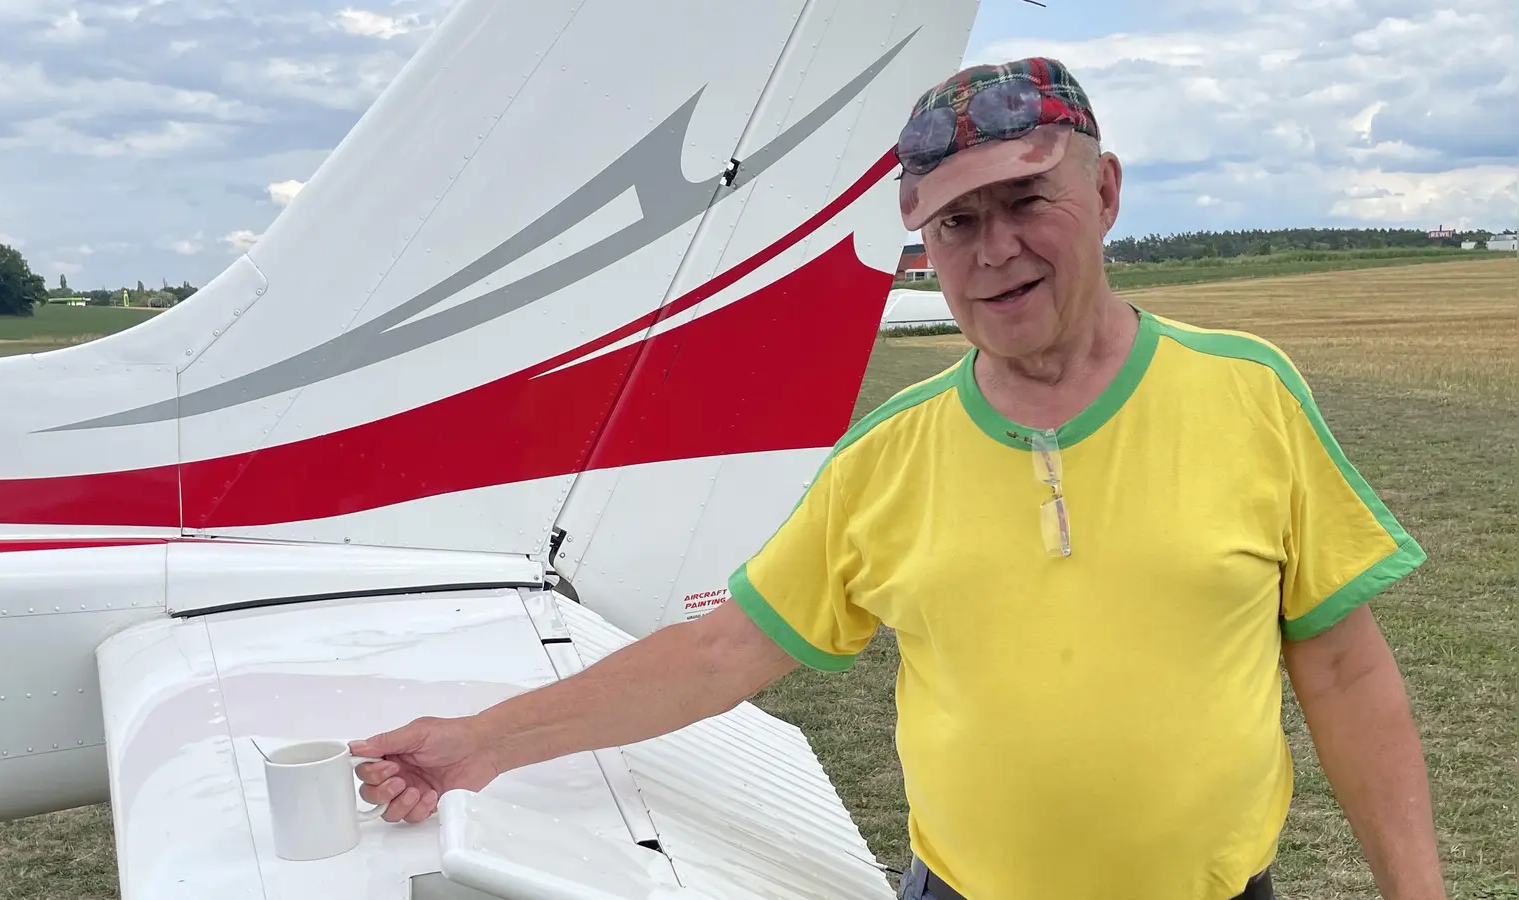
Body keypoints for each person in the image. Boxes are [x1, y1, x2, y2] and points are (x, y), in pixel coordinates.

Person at [351, 58, 1447, 900]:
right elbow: (722, 652)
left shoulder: (1248, 393)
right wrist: (478, 743)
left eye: (1027, 199)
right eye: (955, 222)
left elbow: (1343, 667)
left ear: (1106, 191)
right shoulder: (888, 456)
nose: (993, 249)